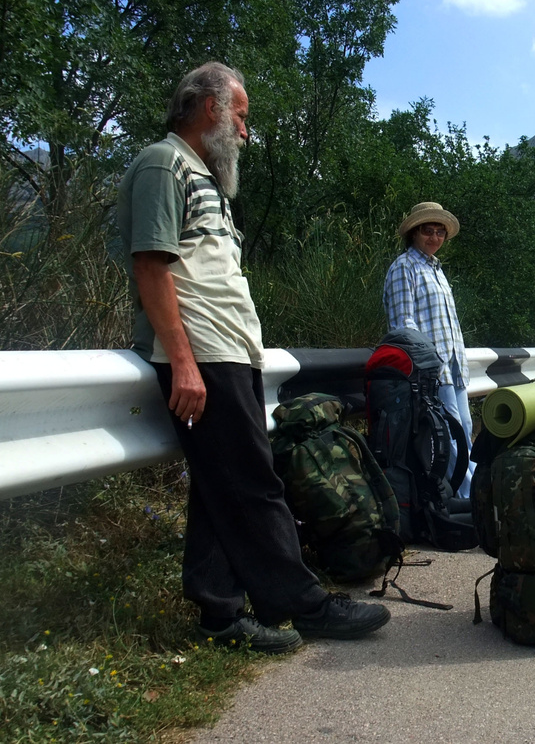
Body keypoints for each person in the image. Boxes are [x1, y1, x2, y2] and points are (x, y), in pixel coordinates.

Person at [115, 61, 390, 654]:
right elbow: (151, 267)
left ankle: (220, 615)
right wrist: (183, 363)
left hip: (227, 351)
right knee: (254, 482)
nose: (244, 130)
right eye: (240, 115)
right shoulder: (164, 163)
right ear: (210, 107)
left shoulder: (203, 177)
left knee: (222, 484)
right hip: (202, 353)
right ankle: (304, 605)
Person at [382, 201, 475, 498]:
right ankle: (469, 497)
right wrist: (426, 365)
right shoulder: (404, 267)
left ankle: (470, 494)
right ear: (414, 233)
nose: (435, 237)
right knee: (447, 435)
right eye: (428, 230)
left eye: (440, 232)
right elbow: (403, 326)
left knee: (464, 430)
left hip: (454, 365)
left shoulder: (436, 270)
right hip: (431, 370)